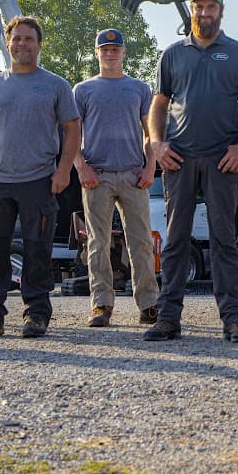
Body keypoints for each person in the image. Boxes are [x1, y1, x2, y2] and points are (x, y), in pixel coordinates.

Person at [143, 0, 238, 344]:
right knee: (176, 238)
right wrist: (156, 143)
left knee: (224, 238)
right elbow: (158, 105)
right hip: (179, 158)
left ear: (221, 11)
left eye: (211, 7)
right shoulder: (173, 54)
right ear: (192, 10)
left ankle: (233, 319)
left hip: (222, 158)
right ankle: (168, 317)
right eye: (199, 6)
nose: (205, 13)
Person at [0, 16, 81, 340]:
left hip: (39, 180)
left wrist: (63, 169)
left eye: (29, 39)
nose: (22, 44)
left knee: (37, 249)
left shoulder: (55, 85)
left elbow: (73, 129)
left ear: (39, 44)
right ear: (7, 43)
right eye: (16, 39)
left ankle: (37, 313)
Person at [74, 28, 158, 328]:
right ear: (96, 53)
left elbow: (151, 133)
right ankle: (101, 305)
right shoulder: (83, 90)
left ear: (123, 53)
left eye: (115, 49)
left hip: (134, 174)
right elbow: (72, 135)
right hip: (97, 175)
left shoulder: (139, 89)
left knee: (141, 242)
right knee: (98, 243)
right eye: (105, 49)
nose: (110, 53)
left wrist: (150, 168)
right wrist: (81, 167)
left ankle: (148, 304)